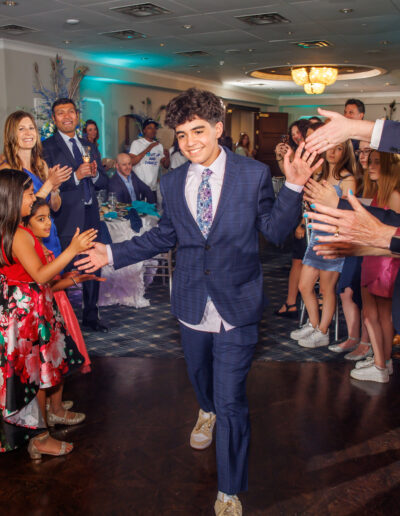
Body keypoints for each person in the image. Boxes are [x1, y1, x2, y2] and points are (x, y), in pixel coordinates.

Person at [75, 88, 323, 516]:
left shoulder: (252, 175)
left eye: (199, 131)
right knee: (198, 375)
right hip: (190, 299)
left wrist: (295, 184)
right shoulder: (171, 181)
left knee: (232, 401)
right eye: (183, 134)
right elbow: (164, 235)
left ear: (219, 129)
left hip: (238, 302)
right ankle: (202, 408)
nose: (190, 142)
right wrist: (112, 253)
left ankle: (228, 491)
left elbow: (277, 231)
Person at [0, 169, 97, 457]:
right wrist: (72, 250)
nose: (34, 197)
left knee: (32, 376)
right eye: (29, 194)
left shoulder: (12, 228)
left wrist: (74, 276)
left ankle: (39, 430)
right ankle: (39, 437)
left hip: (25, 310)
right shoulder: (17, 234)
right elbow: (41, 276)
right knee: (35, 376)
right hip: (26, 314)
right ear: (13, 197)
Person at [42, 98, 109, 333]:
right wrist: (77, 177)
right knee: (64, 268)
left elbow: (104, 180)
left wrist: (94, 175)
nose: (67, 116)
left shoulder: (88, 145)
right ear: (54, 119)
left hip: (91, 216)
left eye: (71, 111)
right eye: (61, 113)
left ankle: (91, 316)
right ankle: (65, 322)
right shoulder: (47, 148)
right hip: (65, 218)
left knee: (93, 265)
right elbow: (46, 185)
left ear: (77, 115)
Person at [24, 197, 105, 374]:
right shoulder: (31, 249)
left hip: (58, 303)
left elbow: (50, 281)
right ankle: (50, 402)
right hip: (48, 303)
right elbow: (44, 285)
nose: (48, 223)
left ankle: (55, 402)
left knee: (56, 362)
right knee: (48, 362)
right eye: (41, 219)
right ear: (26, 224)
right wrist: (75, 277)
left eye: (49, 218)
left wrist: (77, 278)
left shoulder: (40, 244)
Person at [291, 141, 356, 348]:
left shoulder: (347, 179)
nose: (333, 153)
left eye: (339, 149)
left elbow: (349, 213)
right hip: (317, 236)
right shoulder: (319, 175)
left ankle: (323, 331)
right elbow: (310, 206)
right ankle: (314, 323)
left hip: (334, 238)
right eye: (331, 148)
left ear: (345, 153)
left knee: (327, 290)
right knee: (304, 285)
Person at [0, 110, 72, 257]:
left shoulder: (42, 165)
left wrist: (54, 189)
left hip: (49, 233)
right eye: (21, 129)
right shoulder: (7, 170)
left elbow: (56, 207)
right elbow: (19, 210)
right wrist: (49, 184)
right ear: (11, 134)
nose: (28, 133)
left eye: (31, 128)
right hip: (26, 237)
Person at [129, 118, 170, 194]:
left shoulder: (159, 146)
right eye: (150, 128)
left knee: (153, 206)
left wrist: (167, 157)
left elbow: (166, 166)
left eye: (154, 128)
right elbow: (131, 162)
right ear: (144, 130)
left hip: (152, 188)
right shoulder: (137, 143)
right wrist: (148, 148)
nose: (153, 130)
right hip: (139, 187)